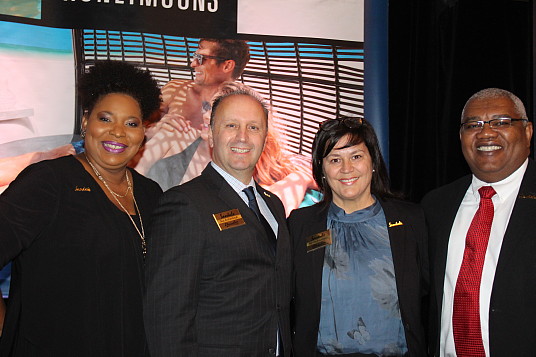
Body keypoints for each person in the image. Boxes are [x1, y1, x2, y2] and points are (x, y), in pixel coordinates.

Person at [0, 60, 162, 356]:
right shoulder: (48, 183)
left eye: (131, 123)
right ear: (86, 122)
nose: (117, 132)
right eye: (105, 118)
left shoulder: (151, 194)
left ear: (143, 133)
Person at [144, 87, 292, 357]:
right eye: (231, 125)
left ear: (264, 137)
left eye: (254, 127)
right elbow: (167, 314)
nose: (242, 137)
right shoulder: (185, 205)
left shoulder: (273, 205)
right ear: (211, 134)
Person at [288, 116, 429, 356]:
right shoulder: (300, 224)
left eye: (356, 156)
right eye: (335, 159)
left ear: (373, 161)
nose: (346, 169)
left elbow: (430, 296)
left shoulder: (412, 220)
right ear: (321, 169)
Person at [421, 88, 535, 356]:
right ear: (461, 137)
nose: (486, 133)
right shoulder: (435, 206)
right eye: (473, 125)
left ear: (528, 132)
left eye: (501, 122)